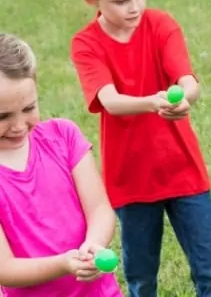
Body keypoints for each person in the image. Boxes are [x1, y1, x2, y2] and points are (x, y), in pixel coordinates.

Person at [69, 0, 211, 297]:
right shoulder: (87, 44)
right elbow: (110, 101)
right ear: (91, 0)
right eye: (122, 0)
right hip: (131, 180)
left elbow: (187, 80)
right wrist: (155, 102)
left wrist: (185, 98)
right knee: (142, 279)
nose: (134, 7)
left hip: (184, 172)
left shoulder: (160, 25)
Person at [0, 33, 122, 297]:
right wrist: (64, 264)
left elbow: (100, 209)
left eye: (29, 108)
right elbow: (4, 268)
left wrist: (93, 245)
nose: (19, 126)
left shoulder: (63, 137)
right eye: (3, 116)